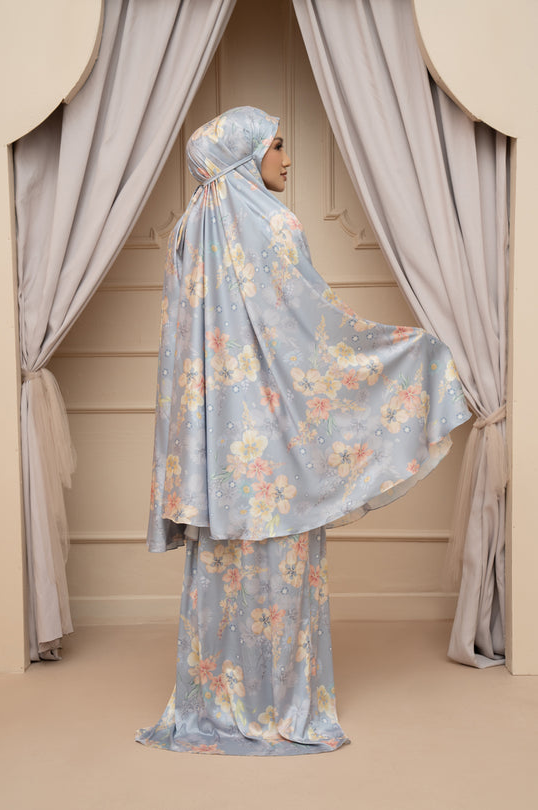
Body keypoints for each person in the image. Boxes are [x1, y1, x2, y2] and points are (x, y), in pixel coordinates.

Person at [135, 106, 471, 756]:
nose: (287, 159)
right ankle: (281, 705)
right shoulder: (277, 226)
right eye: (277, 146)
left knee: (226, 576)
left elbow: (180, 360)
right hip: (279, 451)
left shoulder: (187, 233)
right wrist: (408, 353)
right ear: (244, 156)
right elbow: (320, 336)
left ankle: (215, 703)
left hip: (216, 454)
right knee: (280, 578)